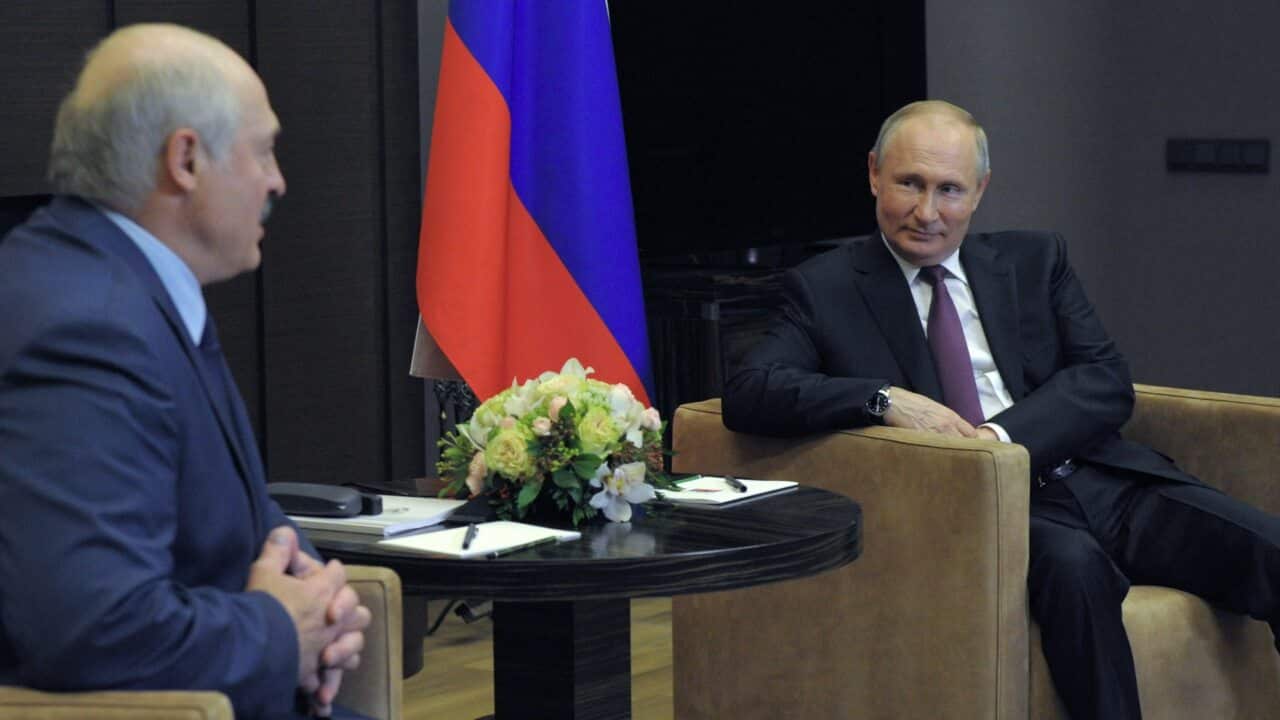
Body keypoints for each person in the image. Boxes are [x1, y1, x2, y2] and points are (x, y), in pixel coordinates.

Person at [723, 99, 1280, 719]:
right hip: (992, 509)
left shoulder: (1036, 261)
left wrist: (998, 436)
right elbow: (750, 389)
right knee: (1076, 573)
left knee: (1268, 547)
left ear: (980, 191)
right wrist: (881, 399)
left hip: (1102, 481)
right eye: (909, 183)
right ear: (875, 172)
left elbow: (1105, 382)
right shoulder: (825, 287)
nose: (927, 212)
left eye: (949, 190)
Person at [0, 24, 372, 719]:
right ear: (186, 159)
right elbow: (93, 631)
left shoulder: (128, 286)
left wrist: (319, 595)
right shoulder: (85, 325)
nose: (277, 180)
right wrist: (281, 632)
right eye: (263, 150)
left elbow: (245, 525)